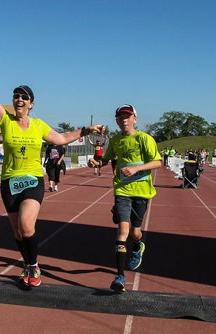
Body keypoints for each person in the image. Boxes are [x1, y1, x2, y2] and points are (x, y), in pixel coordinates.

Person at [0, 51, 103, 287]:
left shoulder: (39, 125)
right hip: (9, 182)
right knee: (17, 233)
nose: (19, 99)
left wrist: (85, 130)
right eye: (16, 96)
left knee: (26, 224)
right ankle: (28, 264)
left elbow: (61, 138)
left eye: (24, 97)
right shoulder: (5, 120)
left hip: (32, 180)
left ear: (31, 104)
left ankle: (33, 266)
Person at [88, 104, 161, 293]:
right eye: (120, 117)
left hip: (142, 191)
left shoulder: (144, 139)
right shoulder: (115, 140)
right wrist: (97, 162)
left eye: (127, 117)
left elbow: (158, 162)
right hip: (122, 190)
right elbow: (107, 159)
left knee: (135, 232)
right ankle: (119, 276)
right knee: (122, 230)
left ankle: (138, 245)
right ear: (117, 121)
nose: (124, 120)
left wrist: (136, 168)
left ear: (135, 119)